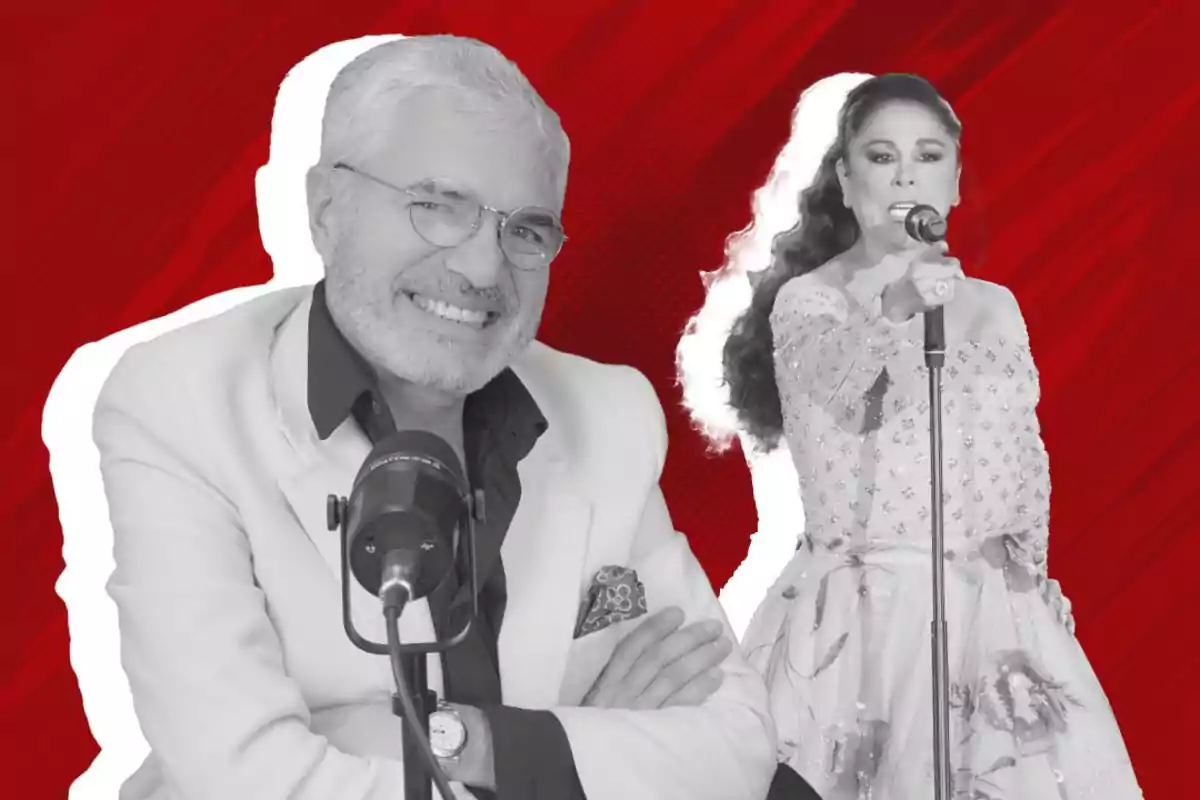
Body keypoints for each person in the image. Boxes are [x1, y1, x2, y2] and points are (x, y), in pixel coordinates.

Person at [90, 35, 776, 799]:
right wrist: (572, 752)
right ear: (325, 211)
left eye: (524, 230)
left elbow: (736, 747)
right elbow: (250, 782)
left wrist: (467, 742)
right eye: (436, 207)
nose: (484, 270)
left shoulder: (609, 412)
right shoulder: (179, 403)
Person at [688, 73, 1144, 798]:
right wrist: (893, 307)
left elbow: (1024, 455)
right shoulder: (813, 302)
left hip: (990, 612)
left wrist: (1032, 574)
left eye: (928, 155)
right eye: (880, 156)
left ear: (956, 181)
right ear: (844, 178)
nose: (905, 173)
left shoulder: (997, 308)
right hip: (864, 622)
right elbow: (841, 399)